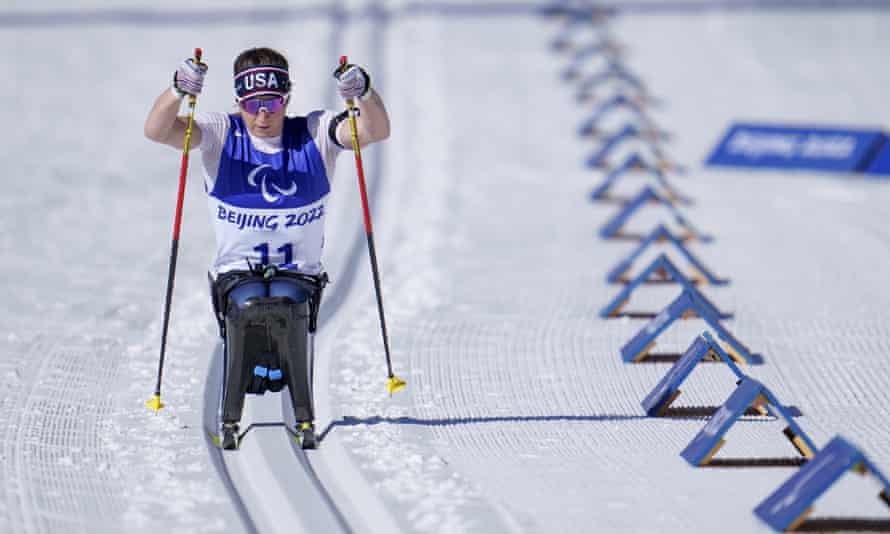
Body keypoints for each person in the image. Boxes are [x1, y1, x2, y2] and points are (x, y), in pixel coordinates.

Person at [144, 47, 390, 449]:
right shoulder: (221, 132)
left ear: (286, 99)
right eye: (252, 104)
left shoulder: (314, 132)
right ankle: (231, 415)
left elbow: (373, 131)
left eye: (272, 103)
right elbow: (157, 130)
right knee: (246, 308)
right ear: (239, 101)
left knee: (291, 307)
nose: (262, 115)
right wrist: (177, 90)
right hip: (236, 272)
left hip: (299, 274)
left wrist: (364, 93)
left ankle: (304, 415)